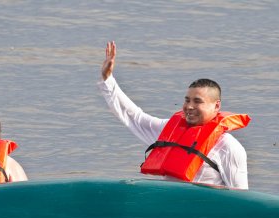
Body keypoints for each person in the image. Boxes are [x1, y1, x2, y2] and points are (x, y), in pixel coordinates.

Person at [97, 41, 250, 189]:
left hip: (204, 212)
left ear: (216, 105)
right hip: (170, 209)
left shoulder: (230, 147)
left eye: (197, 101)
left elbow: (241, 198)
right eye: (187, 100)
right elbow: (134, 117)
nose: (189, 107)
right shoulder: (167, 130)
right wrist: (107, 79)